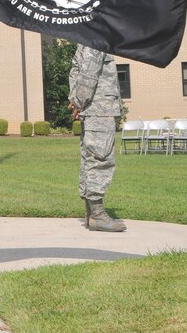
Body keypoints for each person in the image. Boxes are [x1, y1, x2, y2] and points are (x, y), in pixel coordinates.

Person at [68, 44, 126, 233]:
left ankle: (91, 214)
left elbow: (76, 70)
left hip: (95, 108)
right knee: (100, 159)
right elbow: (88, 73)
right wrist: (79, 100)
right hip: (99, 108)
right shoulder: (96, 37)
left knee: (91, 158)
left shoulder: (87, 36)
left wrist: (76, 100)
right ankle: (97, 215)